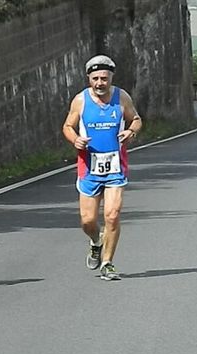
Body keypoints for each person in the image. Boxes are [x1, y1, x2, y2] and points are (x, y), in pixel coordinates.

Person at [62, 55, 142, 281]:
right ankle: (96, 242)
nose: (99, 83)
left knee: (112, 215)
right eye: (95, 78)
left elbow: (136, 118)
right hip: (88, 168)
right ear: (89, 78)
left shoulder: (121, 97)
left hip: (116, 167)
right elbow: (68, 125)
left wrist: (131, 131)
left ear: (111, 78)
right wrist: (75, 139)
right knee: (88, 221)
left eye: (104, 79)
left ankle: (108, 263)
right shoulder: (80, 100)